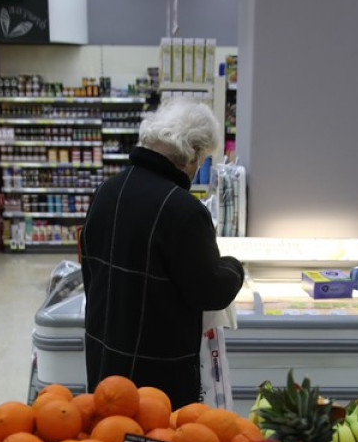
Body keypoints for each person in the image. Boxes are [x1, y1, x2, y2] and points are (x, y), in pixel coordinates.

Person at [79, 99, 244, 410]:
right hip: (157, 372)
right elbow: (209, 291)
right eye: (202, 158)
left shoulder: (106, 191)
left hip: (106, 358)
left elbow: (90, 270)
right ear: (191, 153)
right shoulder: (183, 210)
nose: (199, 167)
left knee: (110, 437)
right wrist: (235, 267)